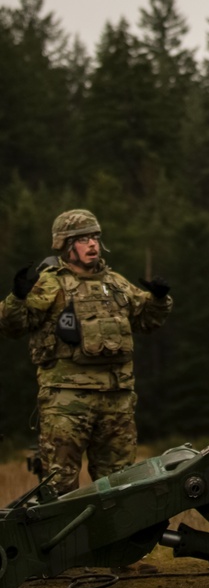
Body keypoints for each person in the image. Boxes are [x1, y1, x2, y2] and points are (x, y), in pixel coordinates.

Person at [0, 208, 172, 494]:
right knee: (59, 486)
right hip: (66, 400)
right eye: (83, 239)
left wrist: (158, 299)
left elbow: (146, 321)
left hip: (117, 400)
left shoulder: (116, 284)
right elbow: (13, 326)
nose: (92, 244)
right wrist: (17, 297)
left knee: (122, 486)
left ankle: (117, 540)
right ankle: (63, 540)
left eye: (95, 238)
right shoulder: (51, 283)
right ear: (67, 246)